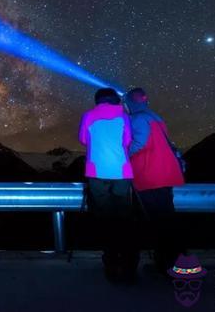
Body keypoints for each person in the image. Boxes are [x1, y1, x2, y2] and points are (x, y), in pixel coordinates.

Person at [78, 87, 138, 282]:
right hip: (121, 172)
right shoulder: (124, 116)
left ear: (97, 100)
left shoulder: (88, 116)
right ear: (114, 99)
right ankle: (129, 265)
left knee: (106, 219)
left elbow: (83, 140)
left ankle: (111, 264)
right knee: (124, 219)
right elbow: (128, 140)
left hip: (96, 172)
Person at [125, 87, 185, 273]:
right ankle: (174, 262)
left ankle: (167, 265)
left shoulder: (138, 119)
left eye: (126, 103)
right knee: (166, 219)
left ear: (130, 103)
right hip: (165, 174)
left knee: (157, 222)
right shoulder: (156, 118)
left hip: (149, 175)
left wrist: (122, 155)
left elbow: (139, 143)